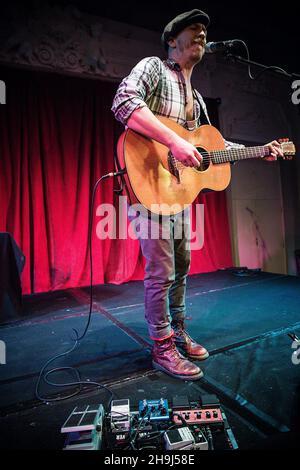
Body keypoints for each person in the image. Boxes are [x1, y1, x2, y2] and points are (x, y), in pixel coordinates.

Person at [111, 9, 284, 381]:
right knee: (161, 272)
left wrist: (260, 149)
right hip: (150, 183)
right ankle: (161, 346)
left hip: (178, 194)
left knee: (182, 269)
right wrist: (173, 140)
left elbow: (213, 147)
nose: (203, 33)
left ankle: (177, 331)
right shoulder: (154, 68)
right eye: (194, 28)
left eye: (205, 29)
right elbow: (123, 101)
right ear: (173, 41)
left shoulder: (198, 99)